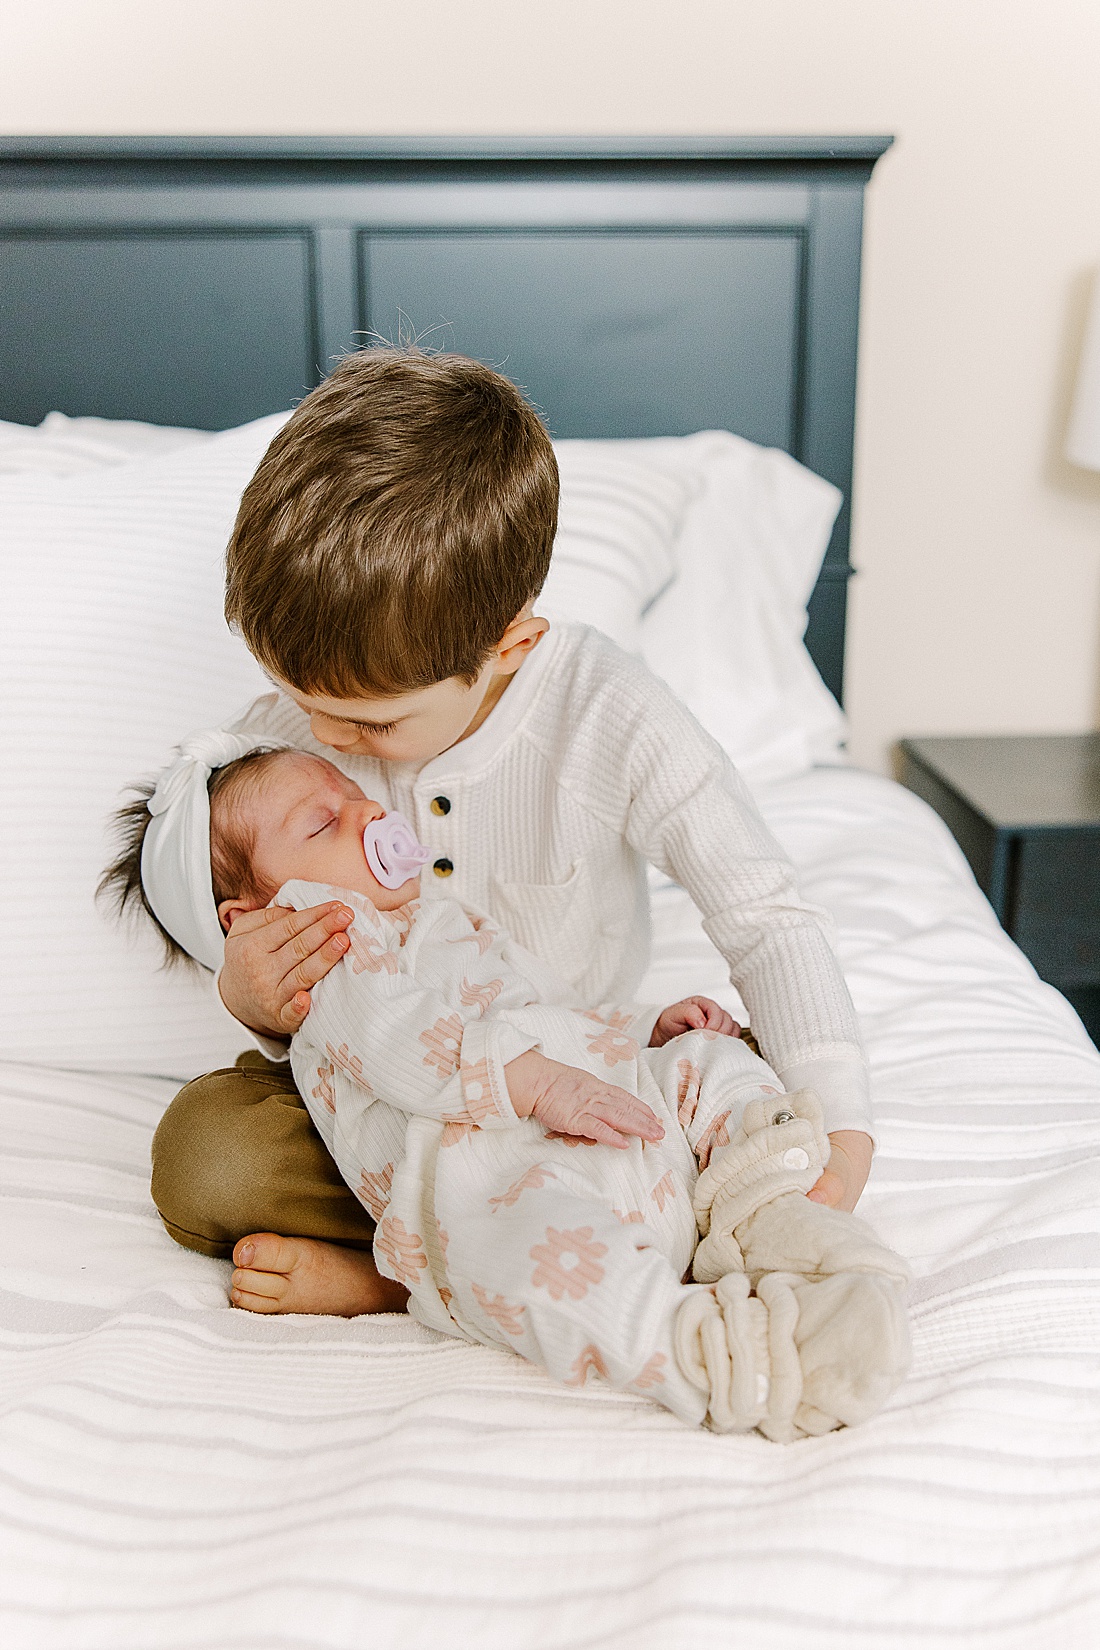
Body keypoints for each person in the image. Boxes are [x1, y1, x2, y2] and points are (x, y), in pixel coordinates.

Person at [137, 346, 876, 1319]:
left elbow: (762, 913)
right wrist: (252, 996)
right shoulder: (294, 744)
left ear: (507, 648)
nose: (325, 740)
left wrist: (841, 1122)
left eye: (370, 723)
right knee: (209, 1153)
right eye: (296, 700)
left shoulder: (604, 711)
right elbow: (254, 917)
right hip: (394, 1090)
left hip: (583, 1081)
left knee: (719, 1089)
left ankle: (409, 1273)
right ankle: (523, 1254)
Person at [104, 736, 910, 1438]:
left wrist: (641, 1033)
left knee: (707, 1057)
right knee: (530, 1245)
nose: (364, 817)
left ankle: (763, 1209)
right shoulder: (325, 934)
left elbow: (544, 1015)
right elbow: (397, 1038)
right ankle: (708, 1350)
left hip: (586, 1115)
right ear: (252, 919)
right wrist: (529, 1082)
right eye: (322, 823)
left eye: (354, 797)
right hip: (484, 1154)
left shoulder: (441, 919)